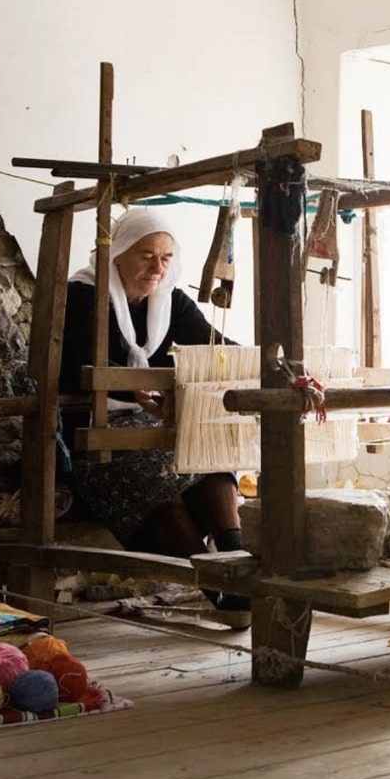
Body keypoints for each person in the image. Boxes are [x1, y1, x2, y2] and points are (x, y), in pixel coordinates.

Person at [59, 207, 249, 619]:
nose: (156, 267)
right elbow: (69, 367)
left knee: (206, 460)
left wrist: (265, 364)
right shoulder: (82, 298)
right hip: (93, 433)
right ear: (119, 254)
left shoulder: (171, 303)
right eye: (146, 255)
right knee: (158, 492)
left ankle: (236, 561)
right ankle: (220, 590)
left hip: (155, 428)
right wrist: (133, 388)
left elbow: (215, 346)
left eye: (165, 258)